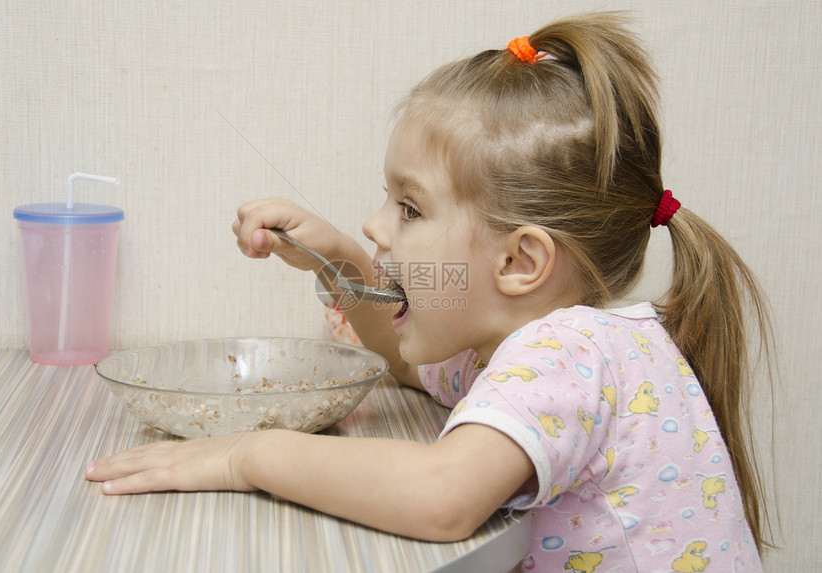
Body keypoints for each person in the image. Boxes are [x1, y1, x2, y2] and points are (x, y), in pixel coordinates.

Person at [86, 12, 775, 571]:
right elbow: (405, 359)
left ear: (520, 260)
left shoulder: (568, 352)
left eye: (409, 208)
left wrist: (245, 456)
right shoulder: (522, 347)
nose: (376, 222)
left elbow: (441, 496)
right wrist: (342, 261)